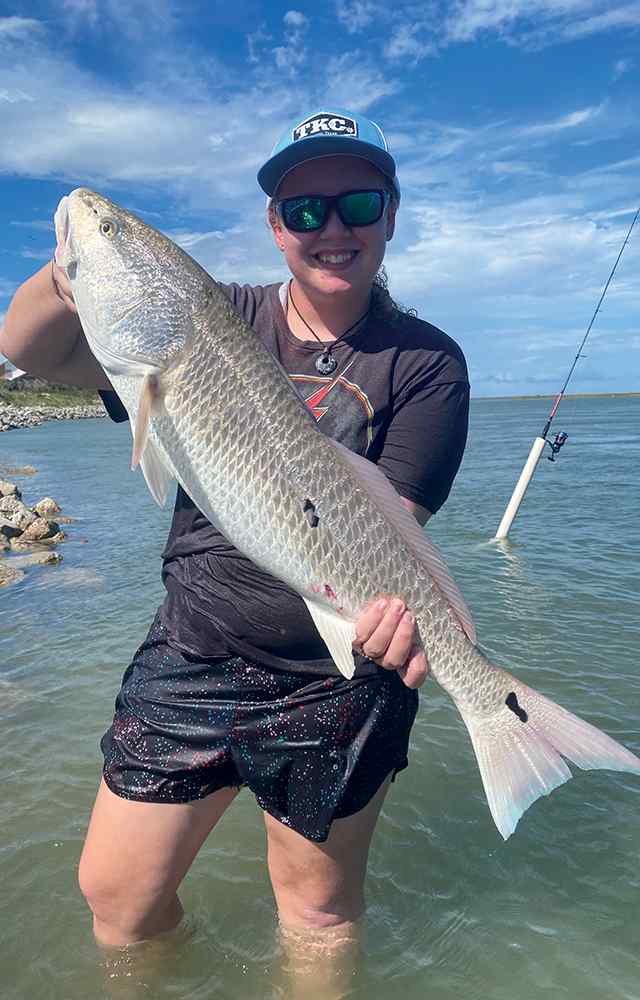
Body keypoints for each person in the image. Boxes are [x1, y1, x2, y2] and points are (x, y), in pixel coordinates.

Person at [0, 108, 469, 988]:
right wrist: (80, 267)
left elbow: (392, 521)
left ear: (392, 214)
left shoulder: (425, 362)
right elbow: (24, 346)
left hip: (335, 677)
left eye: (357, 203)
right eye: (304, 212)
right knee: (116, 898)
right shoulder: (209, 317)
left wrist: (415, 629)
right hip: (195, 646)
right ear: (274, 225)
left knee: (318, 915)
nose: (331, 228)